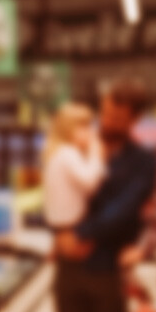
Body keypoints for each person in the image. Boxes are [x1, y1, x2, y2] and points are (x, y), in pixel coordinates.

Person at [54, 77, 156, 312]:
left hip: (107, 273)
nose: (109, 122)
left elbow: (123, 208)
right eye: (106, 113)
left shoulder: (143, 163)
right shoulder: (81, 146)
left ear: (133, 119)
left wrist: (81, 236)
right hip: (68, 272)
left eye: (118, 116)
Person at [42, 102, 105, 246]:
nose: (91, 132)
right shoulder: (68, 153)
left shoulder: (56, 153)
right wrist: (95, 153)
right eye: (84, 127)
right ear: (67, 129)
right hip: (71, 227)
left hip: (58, 225)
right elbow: (90, 182)